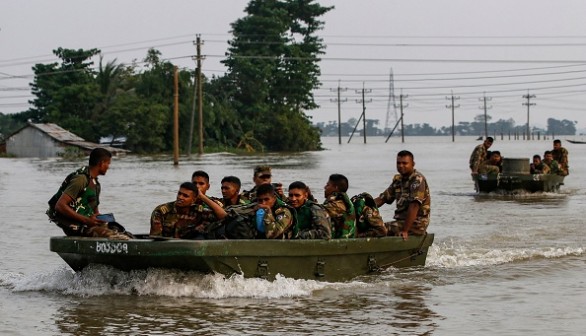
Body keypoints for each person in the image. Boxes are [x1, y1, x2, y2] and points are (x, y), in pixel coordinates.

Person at [46, 148, 130, 240]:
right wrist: (86, 220)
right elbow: (60, 206)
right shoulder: (81, 180)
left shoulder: (95, 184)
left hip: (87, 224)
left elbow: (95, 212)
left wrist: (102, 220)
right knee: (116, 237)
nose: (108, 167)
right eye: (108, 163)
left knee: (123, 232)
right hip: (76, 226)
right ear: (101, 163)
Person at [374, 150, 431, 240]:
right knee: (372, 225)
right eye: (398, 163)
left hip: (416, 225)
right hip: (400, 223)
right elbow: (382, 199)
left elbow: (414, 206)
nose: (401, 166)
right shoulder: (398, 180)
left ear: (413, 164)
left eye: (405, 163)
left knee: (378, 230)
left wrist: (405, 230)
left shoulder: (417, 180)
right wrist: (364, 206)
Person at [150, 182, 227, 239]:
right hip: (166, 247)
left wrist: (203, 197)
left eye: (185, 196)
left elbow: (223, 216)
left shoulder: (198, 211)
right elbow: (156, 238)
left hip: (189, 247)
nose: (180, 197)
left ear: (193, 200)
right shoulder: (161, 211)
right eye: (179, 194)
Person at [322, 174, 355, 239]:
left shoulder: (338, 204)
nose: (325, 187)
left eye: (328, 185)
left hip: (341, 242)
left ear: (336, 187)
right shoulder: (342, 201)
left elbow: (317, 213)